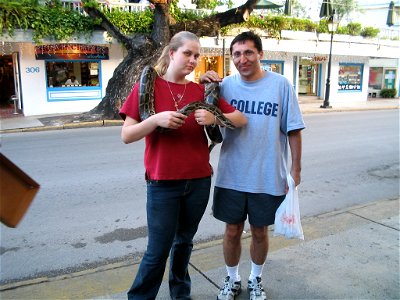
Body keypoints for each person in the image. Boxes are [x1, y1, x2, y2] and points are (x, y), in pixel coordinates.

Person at [119, 31, 247, 300]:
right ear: (172, 53)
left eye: (197, 55)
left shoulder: (201, 90)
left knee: (184, 243)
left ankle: (181, 295)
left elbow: (240, 119)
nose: (193, 59)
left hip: (199, 180)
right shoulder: (149, 87)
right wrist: (156, 120)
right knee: (158, 250)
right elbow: (127, 135)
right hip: (162, 183)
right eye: (187, 53)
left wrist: (214, 118)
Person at [200, 31, 305, 300]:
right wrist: (204, 83)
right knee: (232, 230)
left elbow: (293, 130)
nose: (242, 59)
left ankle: (255, 279)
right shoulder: (225, 86)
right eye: (236, 54)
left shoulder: (281, 85)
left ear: (260, 54)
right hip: (231, 175)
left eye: (248, 52)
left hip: (268, 175)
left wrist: (296, 169)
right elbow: (198, 107)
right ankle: (232, 279)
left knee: (260, 231)